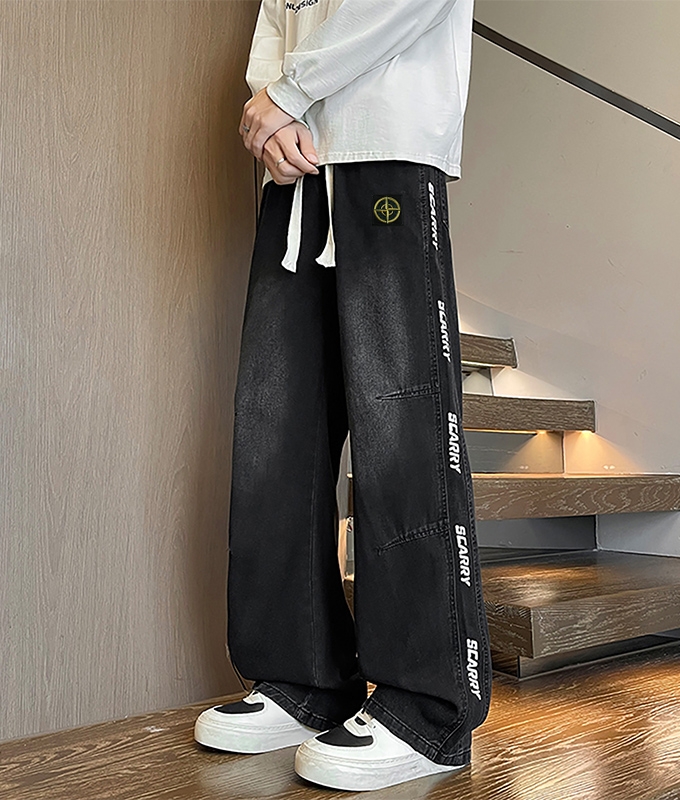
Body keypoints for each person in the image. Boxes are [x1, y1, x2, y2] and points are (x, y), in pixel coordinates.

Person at [194, 0, 493, 792]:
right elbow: (278, 14)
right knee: (275, 423)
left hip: (384, 144)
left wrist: (290, 92)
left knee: (402, 428)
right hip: (297, 160)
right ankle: (302, 677)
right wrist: (272, 110)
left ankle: (427, 707)